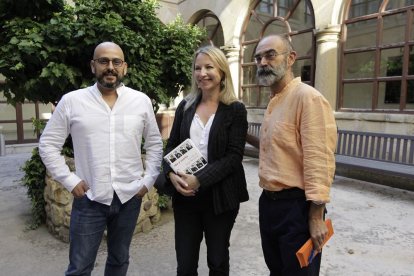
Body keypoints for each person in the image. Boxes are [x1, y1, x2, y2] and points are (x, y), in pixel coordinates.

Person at [39, 42, 163, 276]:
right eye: (103, 61)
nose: (110, 67)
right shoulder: (72, 101)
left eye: (116, 62)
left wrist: (147, 181)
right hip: (89, 199)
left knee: (119, 260)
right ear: (93, 66)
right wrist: (70, 180)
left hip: (129, 197)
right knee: (79, 268)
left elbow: (155, 144)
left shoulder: (141, 101)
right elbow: (47, 144)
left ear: (124, 67)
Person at [247, 34, 337, 275]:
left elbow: (319, 160)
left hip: (297, 208)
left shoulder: (308, 98)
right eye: (258, 57)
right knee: (276, 270)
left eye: (270, 55)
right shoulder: (276, 100)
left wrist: (316, 216)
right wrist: (245, 136)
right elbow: (280, 148)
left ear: (290, 59)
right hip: (269, 203)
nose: (263, 62)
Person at [162, 45, 249, 276]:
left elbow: (234, 157)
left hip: (220, 198)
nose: (202, 73)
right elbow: (171, 147)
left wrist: (199, 179)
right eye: (197, 68)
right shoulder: (185, 106)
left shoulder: (235, 109)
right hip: (186, 198)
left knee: (218, 261)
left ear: (221, 72)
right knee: (185, 265)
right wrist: (171, 174)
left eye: (209, 67)